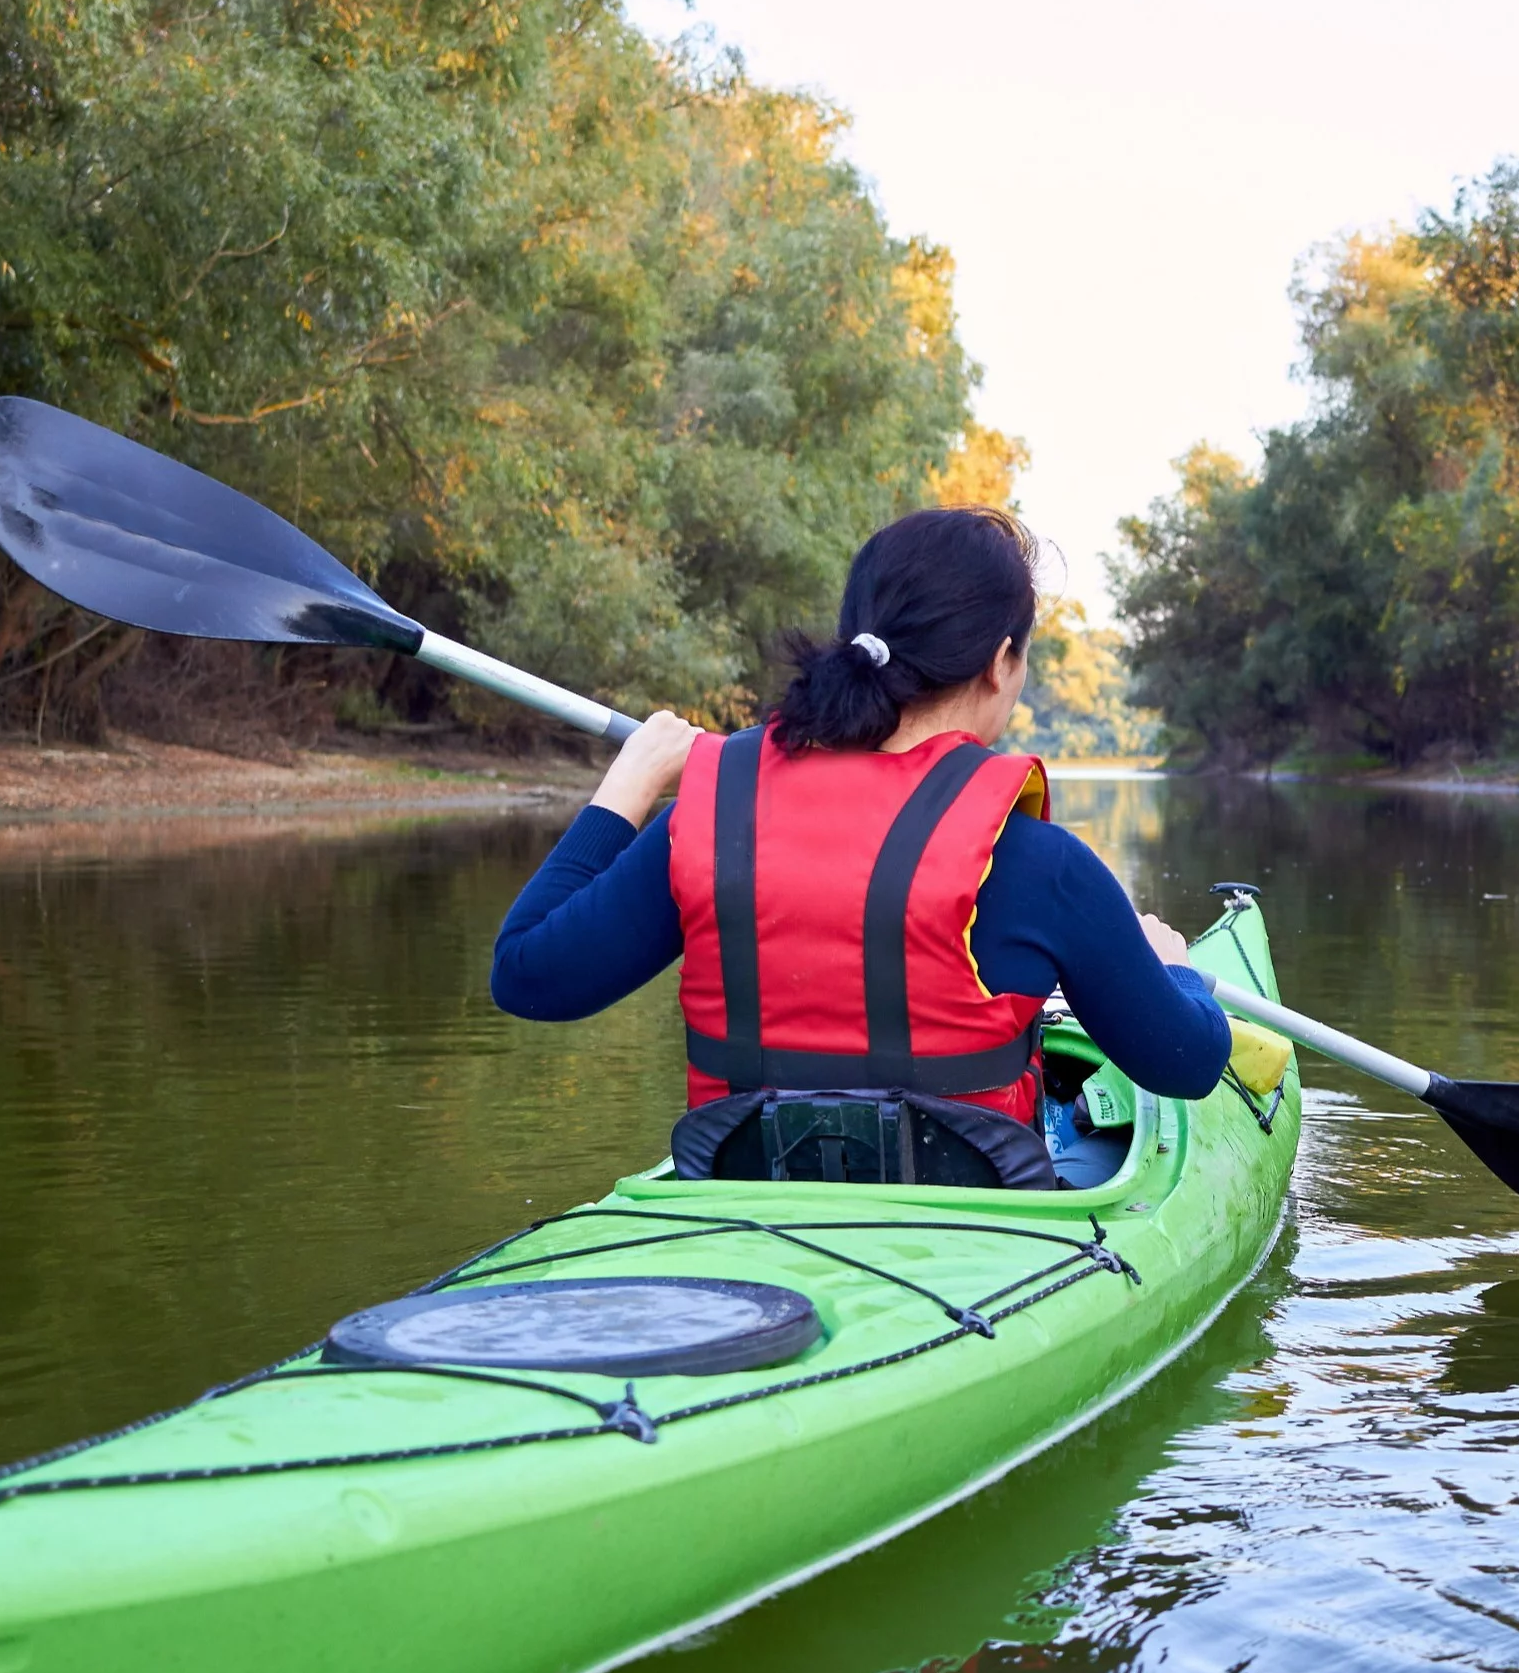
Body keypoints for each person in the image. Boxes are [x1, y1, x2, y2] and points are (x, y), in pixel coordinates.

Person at [490, 505, 1230, 1189]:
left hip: (747, 1210)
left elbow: (527, 977)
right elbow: (1189, 1062)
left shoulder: (712, 819)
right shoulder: (1042, 861)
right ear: (1001, 660)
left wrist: (629, 784)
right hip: (973, 1234)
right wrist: (1174, 969)